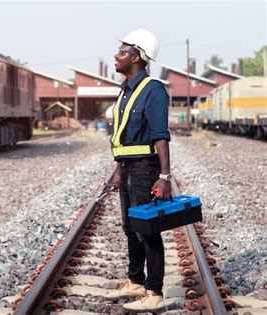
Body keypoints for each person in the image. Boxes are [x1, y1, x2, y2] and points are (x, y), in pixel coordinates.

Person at [107, 28, 172, 313]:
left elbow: (160, 135)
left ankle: (154, 291)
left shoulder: (154, 90)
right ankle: (136, 280)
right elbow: (124, 136)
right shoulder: (125, 91)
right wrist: (118, 169)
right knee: (130, 228)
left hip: (147, 168)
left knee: (147, 231)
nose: (116, 55)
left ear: (137, 58)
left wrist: (165, 176)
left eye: (122, 52)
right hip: (128, 166)